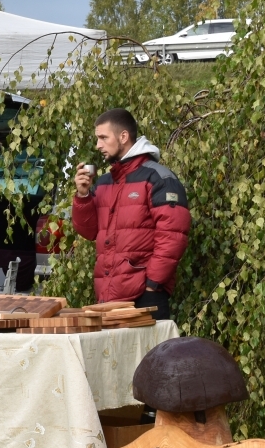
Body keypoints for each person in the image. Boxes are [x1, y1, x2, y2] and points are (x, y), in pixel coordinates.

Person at [71, 108, 191, 320]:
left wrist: (152, 284)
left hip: (145, 299)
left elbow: (173, 236)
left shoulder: (159, 178)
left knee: (149, 355)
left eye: (103, 137)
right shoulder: (105, 182)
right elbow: (90, 232)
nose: (98, 145)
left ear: (123, 136)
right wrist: (83, 196)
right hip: (108, 297)